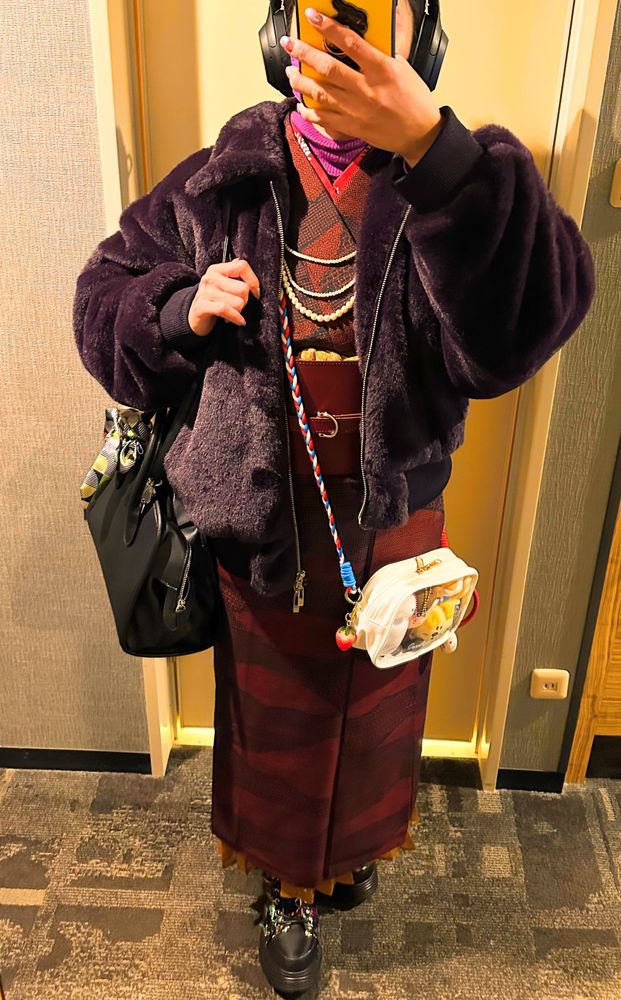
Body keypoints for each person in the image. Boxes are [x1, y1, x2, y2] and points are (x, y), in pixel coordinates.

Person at [72, 1, 596, 995]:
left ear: (418, 40)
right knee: (279, 727)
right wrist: (177, 309)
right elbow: (102, 295)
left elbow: (523, 332)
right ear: (282, 35)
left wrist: (436, 152)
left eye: (371, 19)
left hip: (395, 523)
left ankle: (348, 855)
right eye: (320, 17)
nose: (341, 44)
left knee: (378, 716)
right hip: (265, 525)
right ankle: (286, 888)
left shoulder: (464, 177)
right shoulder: (224, 177)